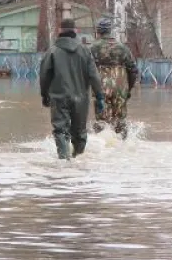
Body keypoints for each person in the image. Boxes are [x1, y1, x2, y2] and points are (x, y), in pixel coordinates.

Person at [38, 17, 105, 160]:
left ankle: (65, 162)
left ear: (59, 31)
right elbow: (94, 76)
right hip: (81, 99)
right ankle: (77, 160)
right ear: (76, 31)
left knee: (60, 130)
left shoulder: (52, 52)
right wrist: (99, 96)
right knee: (80, 132)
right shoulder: (85, 52)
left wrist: (44, 95)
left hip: (59, 98)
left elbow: (44, 76)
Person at [90, 17, 139, 138]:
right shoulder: (123, 48)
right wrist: (128, 88)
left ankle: (102, 148)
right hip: (120, 86)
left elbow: (86, 70)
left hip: (101, 86)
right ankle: (122, 148)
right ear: (110, 30)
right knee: (120, 121)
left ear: (98, 31)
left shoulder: (92, 48)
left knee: (102, 121)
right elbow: (133, 70)